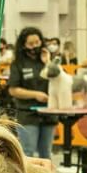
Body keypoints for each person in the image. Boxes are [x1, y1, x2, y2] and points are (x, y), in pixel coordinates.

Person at [8, 26, 56, 159]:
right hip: (27, 113)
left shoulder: (48, 60)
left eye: (37, 42)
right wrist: (35, 94)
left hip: (49, 113)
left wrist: (48, 62)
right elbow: (13, 90)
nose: (35, 46)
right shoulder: (18, 63)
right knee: (27, 153)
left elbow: (57, 79)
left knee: (46, 153)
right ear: (23, 45)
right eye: (31, 43)